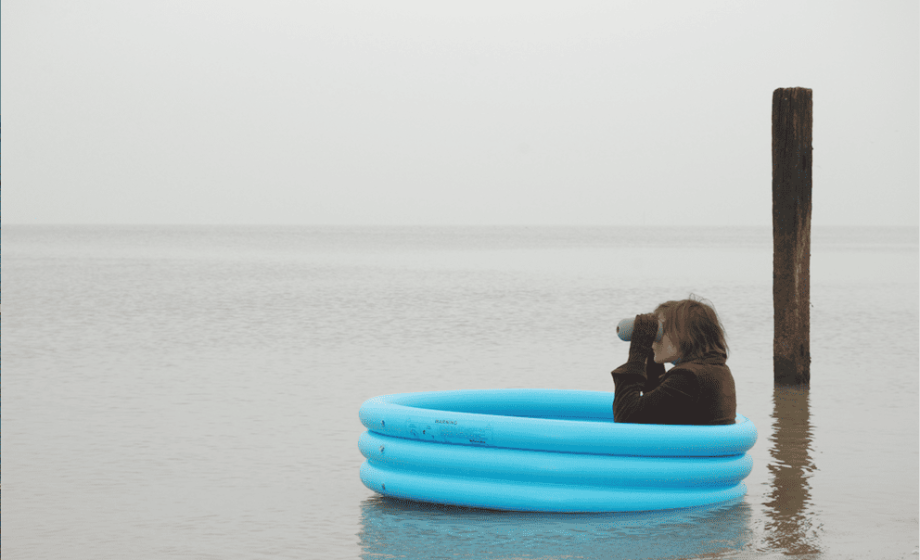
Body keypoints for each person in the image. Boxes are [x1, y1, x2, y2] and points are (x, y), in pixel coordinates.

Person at [610, 297, 736, 425]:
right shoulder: (714, 371)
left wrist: (638, 352)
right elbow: (655, 407)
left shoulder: (689, 379)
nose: (655, 338)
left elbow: (626, 417)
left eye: (660, 330)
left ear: (684, 335)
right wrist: (647, 344)